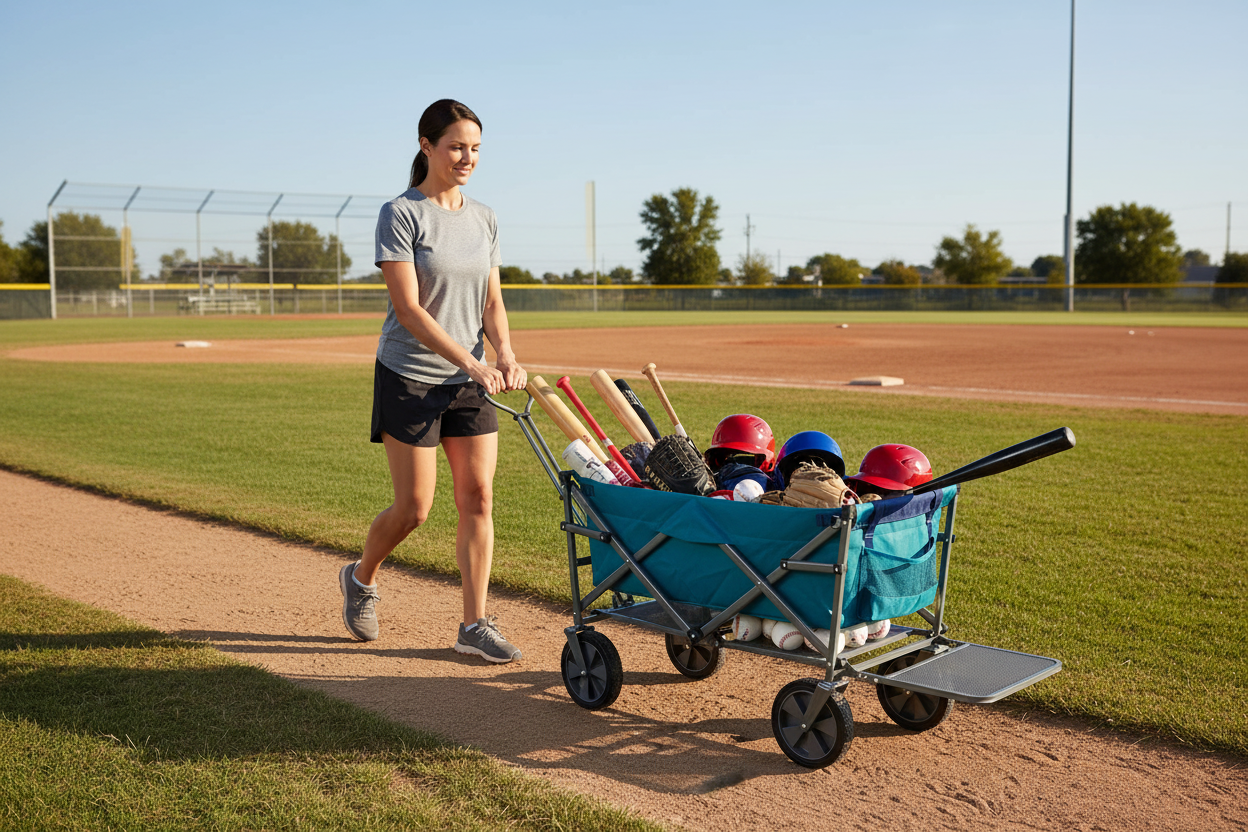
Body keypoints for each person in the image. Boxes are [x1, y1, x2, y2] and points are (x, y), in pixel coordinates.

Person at [339, 99, 527, 663]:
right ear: (427, 146)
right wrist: (471, 363)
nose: (467, 157)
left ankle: (474, 624)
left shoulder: (485, 216)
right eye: (456, 147)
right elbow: (410, 308)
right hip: (410, 376)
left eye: (474, 148)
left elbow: (492, 300)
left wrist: (506, 354)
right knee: (414, 508)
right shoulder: (401, 213)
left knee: (478, 498)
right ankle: (361, 575)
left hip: (470, 379)